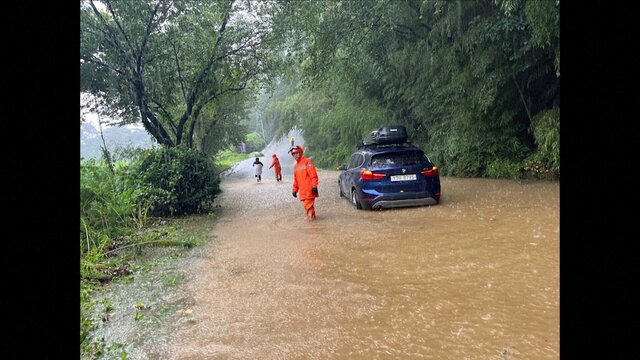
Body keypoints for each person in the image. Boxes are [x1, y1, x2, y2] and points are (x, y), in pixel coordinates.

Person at [289, 145, 319, 221]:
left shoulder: (307, 162)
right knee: (309, 207)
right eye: (293, 154)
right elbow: (296, 179)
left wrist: (314, 186)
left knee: (308, 207)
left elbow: (313, 176)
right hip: (303, 192)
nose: (295, 155)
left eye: (296, 153)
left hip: (310, 190)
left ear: (300, 152)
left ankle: (310, 225)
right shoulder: (296, 166)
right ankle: (313, 223)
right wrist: (294, 190)